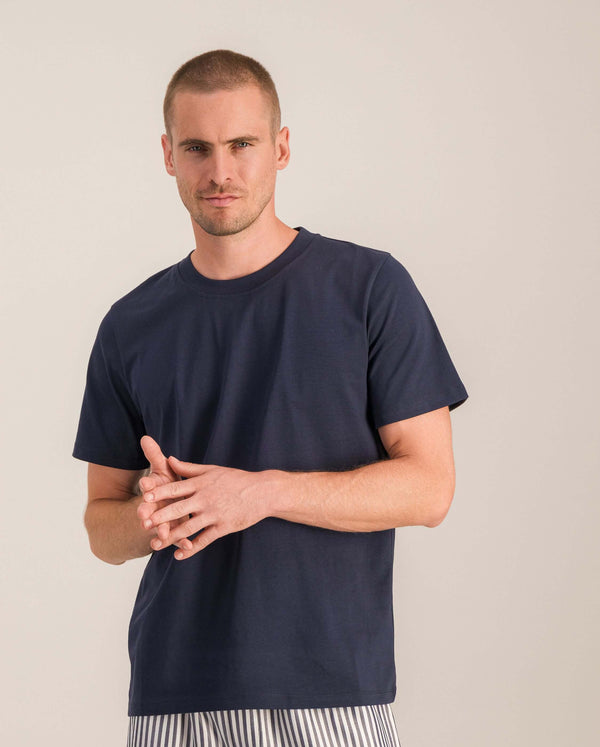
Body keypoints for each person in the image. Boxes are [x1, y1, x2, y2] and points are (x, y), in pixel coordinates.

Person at [73, 49, 468, 747]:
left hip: (330, 692)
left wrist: (260, 493)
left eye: (242, 145)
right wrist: (152, 517)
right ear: (168, 155)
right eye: (197, 148)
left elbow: (430, 488)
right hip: (173, 696)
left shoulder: (369, 289)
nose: (220, 172)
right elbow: (102, 526)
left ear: (281, 148)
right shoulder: (130, 324)